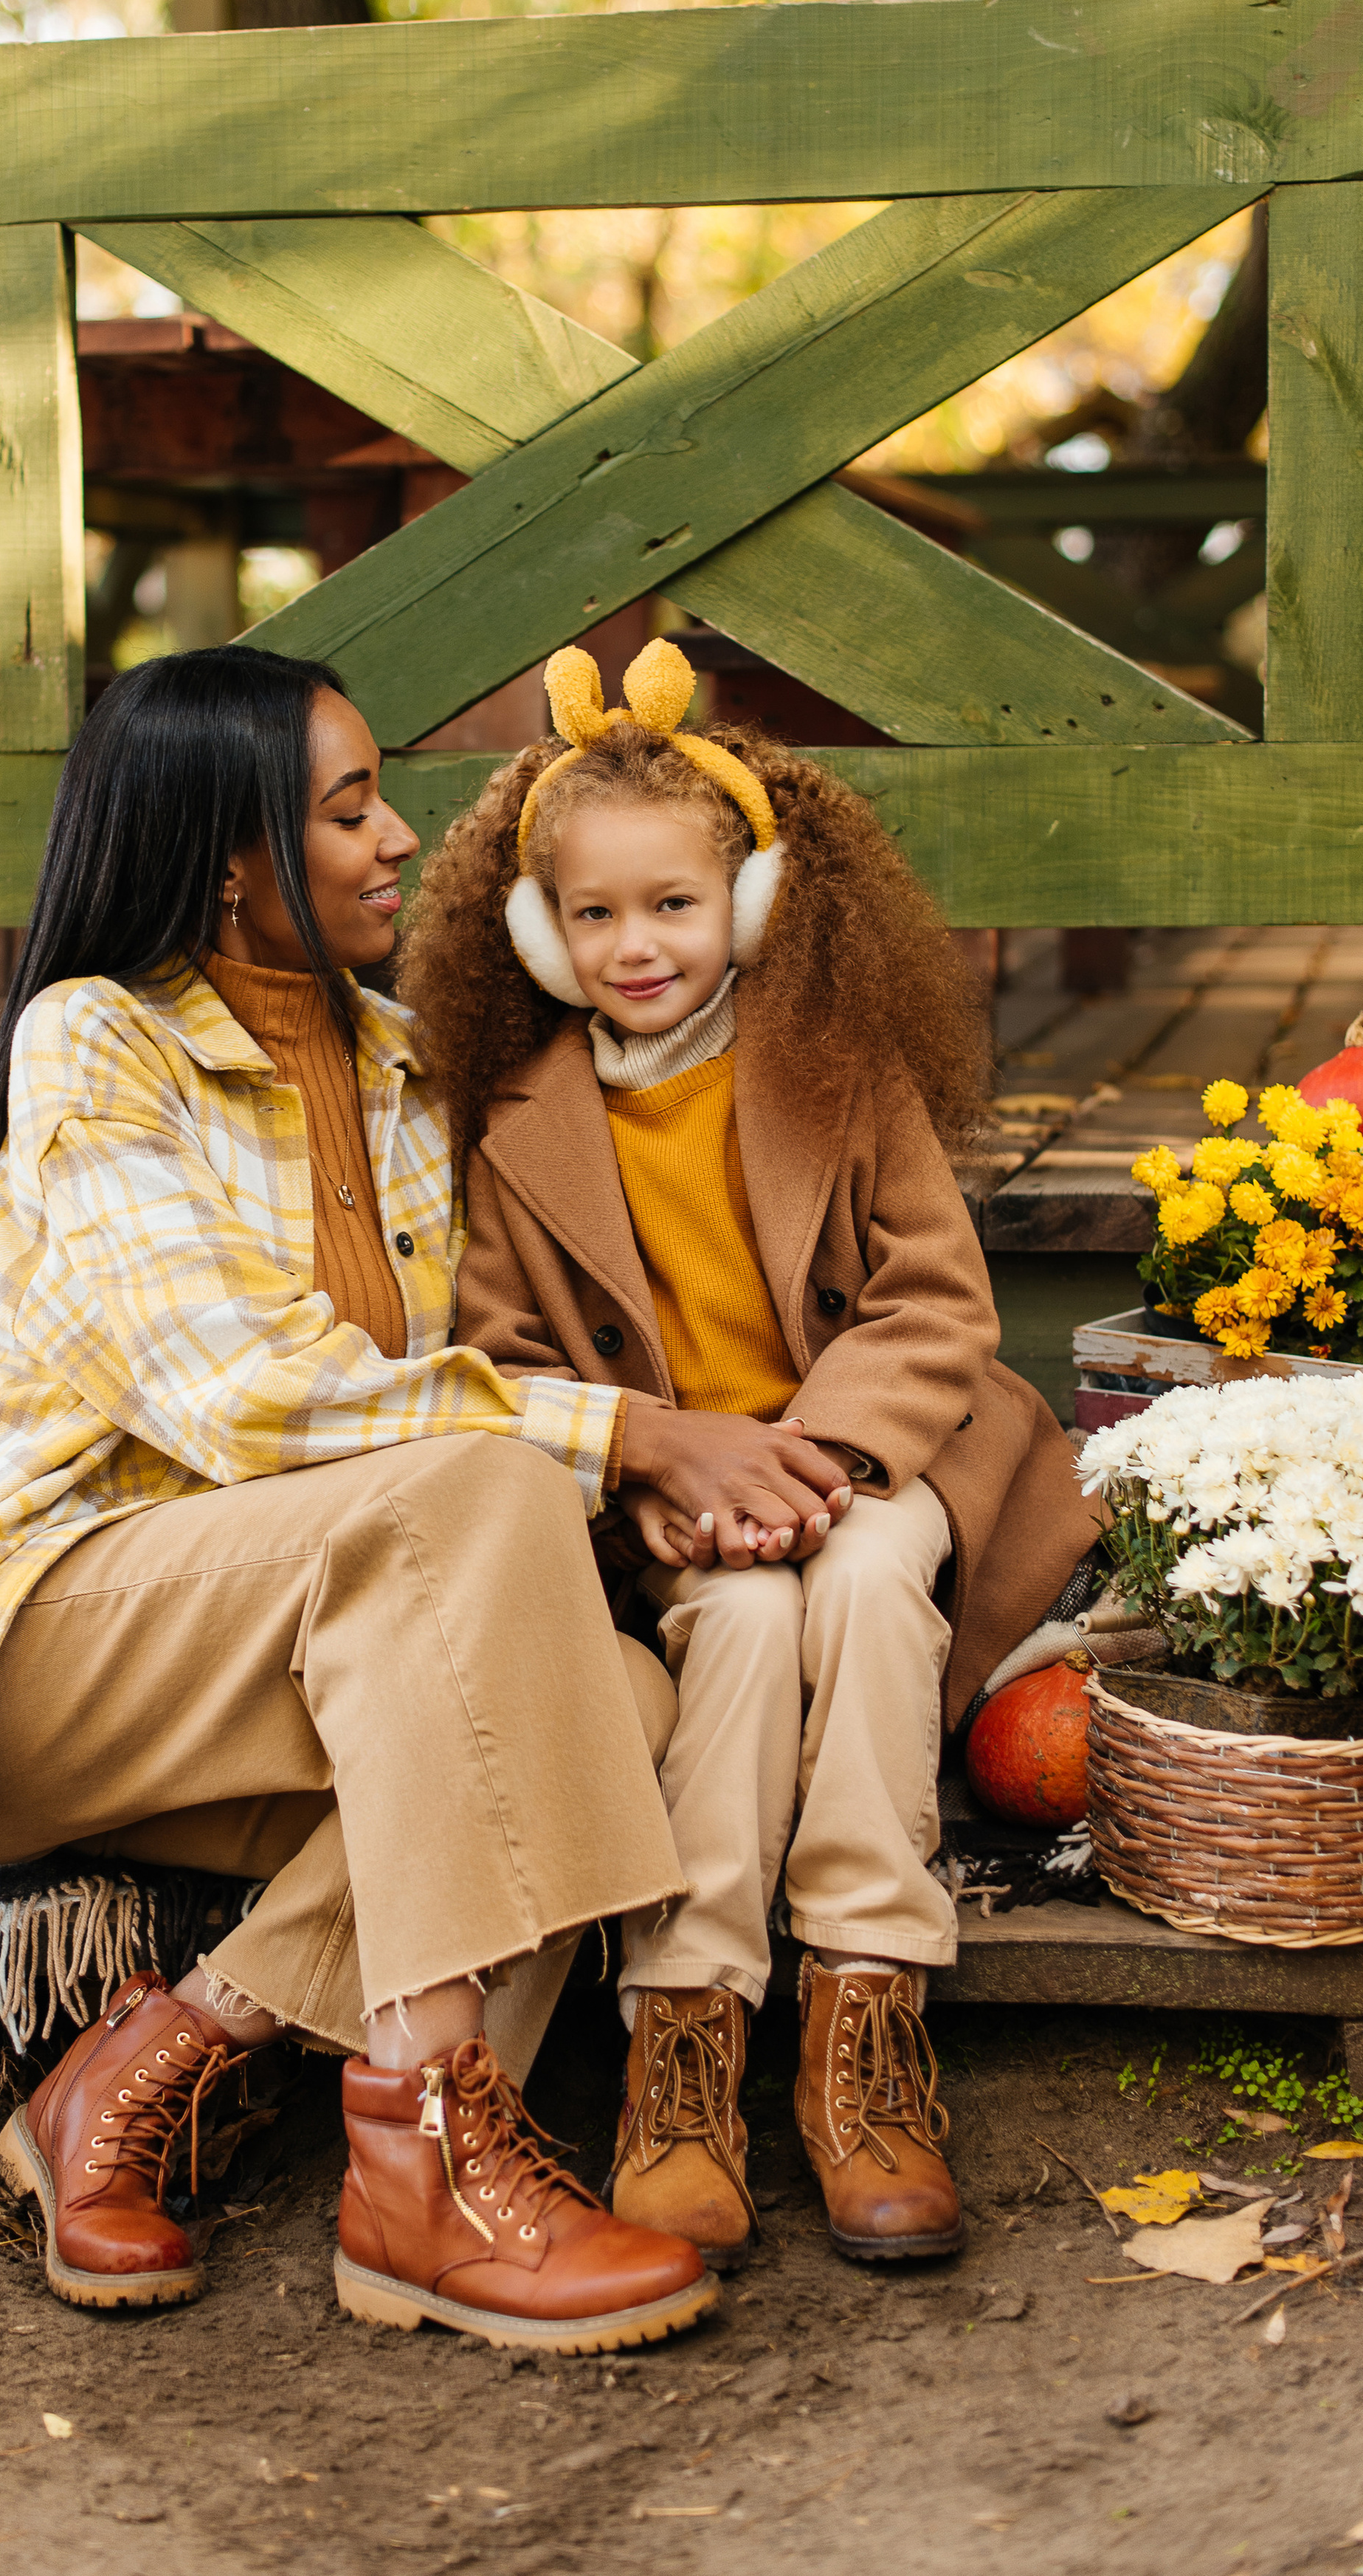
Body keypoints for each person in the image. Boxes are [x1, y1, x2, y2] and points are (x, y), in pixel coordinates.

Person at [0, 646, 719, 2356]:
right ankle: (427, 2154)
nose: (398, 838)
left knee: (623, 1694)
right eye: (349, 808)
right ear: (226, 857)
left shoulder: (407, 1065)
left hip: (292, 1631)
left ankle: (149, 2066)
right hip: (35, 1632)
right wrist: (635, 1440)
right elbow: (244, 1397)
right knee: (481, 1493)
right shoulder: (97, 1046)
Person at [398, 637, 1103, 2270]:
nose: (633, 944)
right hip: (667, 1507)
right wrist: (656, 1474)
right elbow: (500, 1361)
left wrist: (822, 1465)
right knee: (744, 1621)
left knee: (852, 1582)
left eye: (671, 904)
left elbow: (935, 1306)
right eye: (591, 913)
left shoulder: (836, 1074)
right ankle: (686, 2030)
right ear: (533, 930)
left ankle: (862, 2010)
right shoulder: (514, 1120)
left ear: (758, 905)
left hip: (869, 1465)